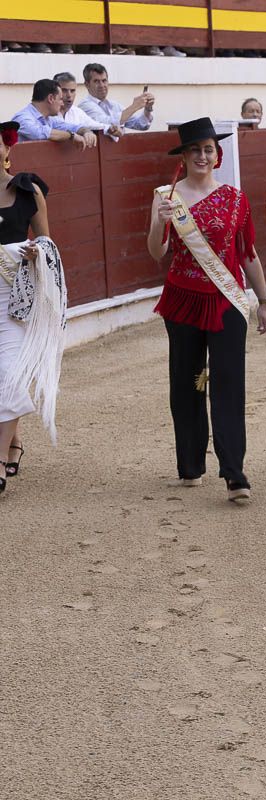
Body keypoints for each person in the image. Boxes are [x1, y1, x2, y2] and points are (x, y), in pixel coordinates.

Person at [146, 118, 266, 503]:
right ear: (183, 157)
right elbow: (157, 252)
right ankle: (190, 464)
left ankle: (234, 472)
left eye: (209, 149)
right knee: (187, 382)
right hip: (182, 298)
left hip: (226, 301)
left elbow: (247, 254)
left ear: (217, 156)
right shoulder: (166, 196)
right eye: (195, 150)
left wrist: (263, 300)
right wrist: (159, 222)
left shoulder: (235, 198)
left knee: (228, 383)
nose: (203, 156)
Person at [0, 121, 63, 494]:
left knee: (9, 373)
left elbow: (48, 245)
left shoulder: (28, 189)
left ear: (8, 148)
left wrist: (37, 253)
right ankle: (15, 440)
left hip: (14, 300)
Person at [11, 79, 97, 148]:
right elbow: (39, 133)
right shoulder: (22, 118)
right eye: (60, 99)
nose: (62, 103)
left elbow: (71, 127)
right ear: (51, 98)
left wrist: (86, 131)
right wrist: (71, 135)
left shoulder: (50, 119)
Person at [77, 63, 154, 135]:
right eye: (96, 81)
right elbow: (108, 124)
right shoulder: (85, 106)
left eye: (104, 81)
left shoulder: (114, 105)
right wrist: (134, 107)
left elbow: (141, 125)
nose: (102, 85)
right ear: (87, 85)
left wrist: (147, 109)